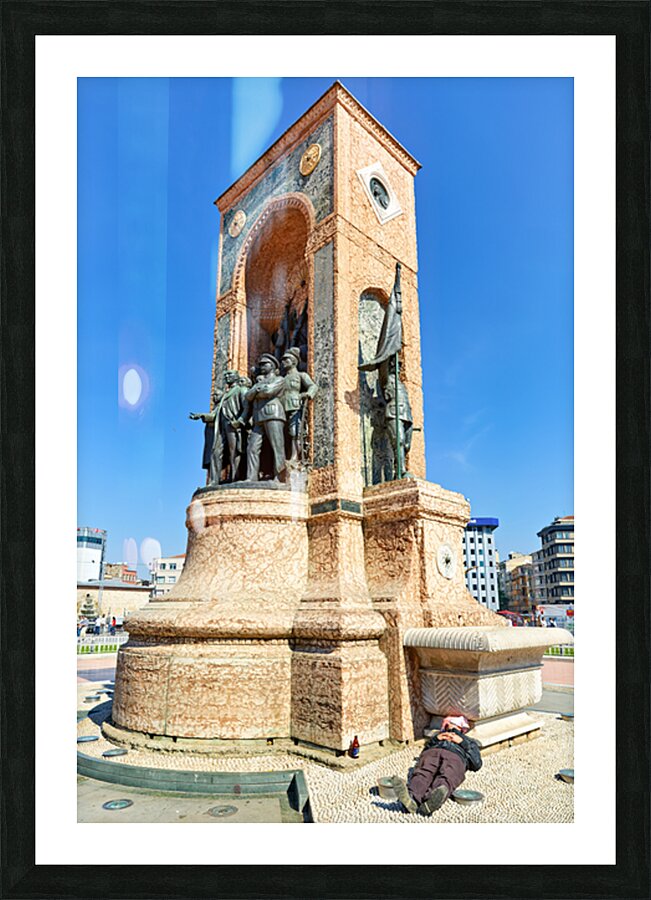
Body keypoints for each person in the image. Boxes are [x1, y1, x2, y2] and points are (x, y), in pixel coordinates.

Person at [390, 715, 482, 816]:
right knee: (423, 772)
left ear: (462, 729)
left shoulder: (469, 741)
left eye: (456, 724)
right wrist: (435, 740)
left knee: (448, 775)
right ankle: (411, 798)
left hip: (456, 756)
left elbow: (477, 764)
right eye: (450, 723)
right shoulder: (437, 736)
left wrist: (462, 742)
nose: (452, 727)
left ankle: (431, 802)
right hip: (432, 752)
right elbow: (423, 754)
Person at [240, 354, 287, 481]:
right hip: (258, 417)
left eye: (264, 364)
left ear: (272, 366)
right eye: (260, 364)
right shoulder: (258, 382)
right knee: (252, 448)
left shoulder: (279, 379)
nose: (261, 367)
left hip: (273, 413)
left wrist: (257, 390)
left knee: (277, 447)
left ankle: (280, 477)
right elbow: (248, 396)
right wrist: (257, 389)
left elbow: (268, 392)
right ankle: (251, 477)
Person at [280, 347, 317, 463]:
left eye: (286, 360)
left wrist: (307, 394)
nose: (283, 362)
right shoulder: (281, 378)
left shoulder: (301, 375)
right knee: (283, 433)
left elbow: (313, 386)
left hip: (295, 405)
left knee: (295, 432)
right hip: (281, 408)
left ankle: (294, 457)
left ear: (294, 361)